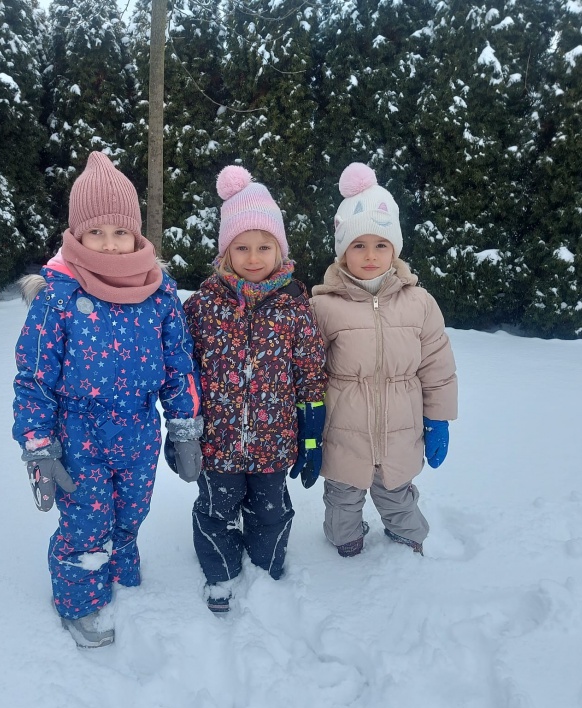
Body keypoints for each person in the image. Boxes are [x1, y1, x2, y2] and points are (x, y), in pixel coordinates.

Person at [12, 152, 202, 648]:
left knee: (132, 511)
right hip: (79, 435)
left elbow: (179, 364)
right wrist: (38, 445)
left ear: (137, 235)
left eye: (120, 231)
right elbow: (34, 378)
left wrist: (184, 427)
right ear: (77, 235)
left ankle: (120, 569)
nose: (110, 243)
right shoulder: (57, 297)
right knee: (86, 521)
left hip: (139, 430)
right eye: (95, 232)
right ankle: (79, 602)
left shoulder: (159, 293)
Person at [177, 165, 327, 613]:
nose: (254, 257)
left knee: (271, 512)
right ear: (226, 251)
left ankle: (266, 570)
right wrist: (181, 429)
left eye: (265, 246)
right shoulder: (201, 306)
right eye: (242, 247)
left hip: (274, 443)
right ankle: (220, 573)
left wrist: (311, 432)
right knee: (215, 512)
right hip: (217, 444)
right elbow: (182, 371)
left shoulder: (295, 307)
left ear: (280, 250)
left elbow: (309, 371)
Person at [309, 162, 457, 558]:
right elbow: (307, 370)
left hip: (400, 427)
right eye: (358, 245)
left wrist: (438, 418)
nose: (370, 255)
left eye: (381, 244)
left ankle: (409, 537)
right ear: (343, 251)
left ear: (395, 248)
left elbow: (437, 365)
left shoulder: (419, 302)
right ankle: (345, 539)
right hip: (343, 428)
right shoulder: (324, 306)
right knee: (342, 495)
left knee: (398, 492)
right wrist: (305, 422)